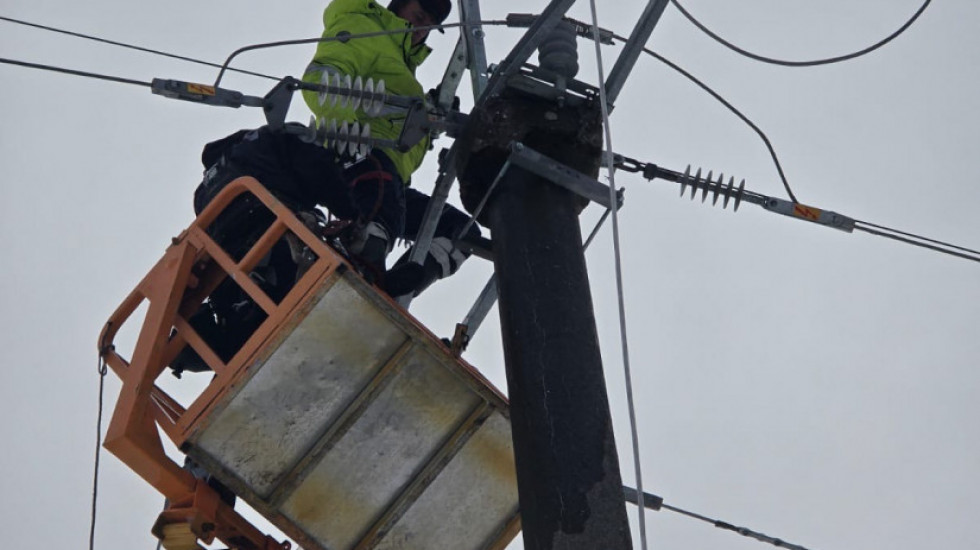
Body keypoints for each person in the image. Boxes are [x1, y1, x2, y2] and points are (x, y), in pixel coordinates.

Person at [301, 0, 453, 273]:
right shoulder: (365, 28)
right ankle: (359, 267)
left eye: (429, 27)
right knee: (376, 230)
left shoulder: (402, 66)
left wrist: (428, 120)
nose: (421, 30)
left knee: (458, 231)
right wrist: (348, 139)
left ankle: (395, 289)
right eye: (419, 17)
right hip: (359, 158)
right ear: (398, 6)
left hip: (390, 178)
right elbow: (323, 79)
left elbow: (390, 121)